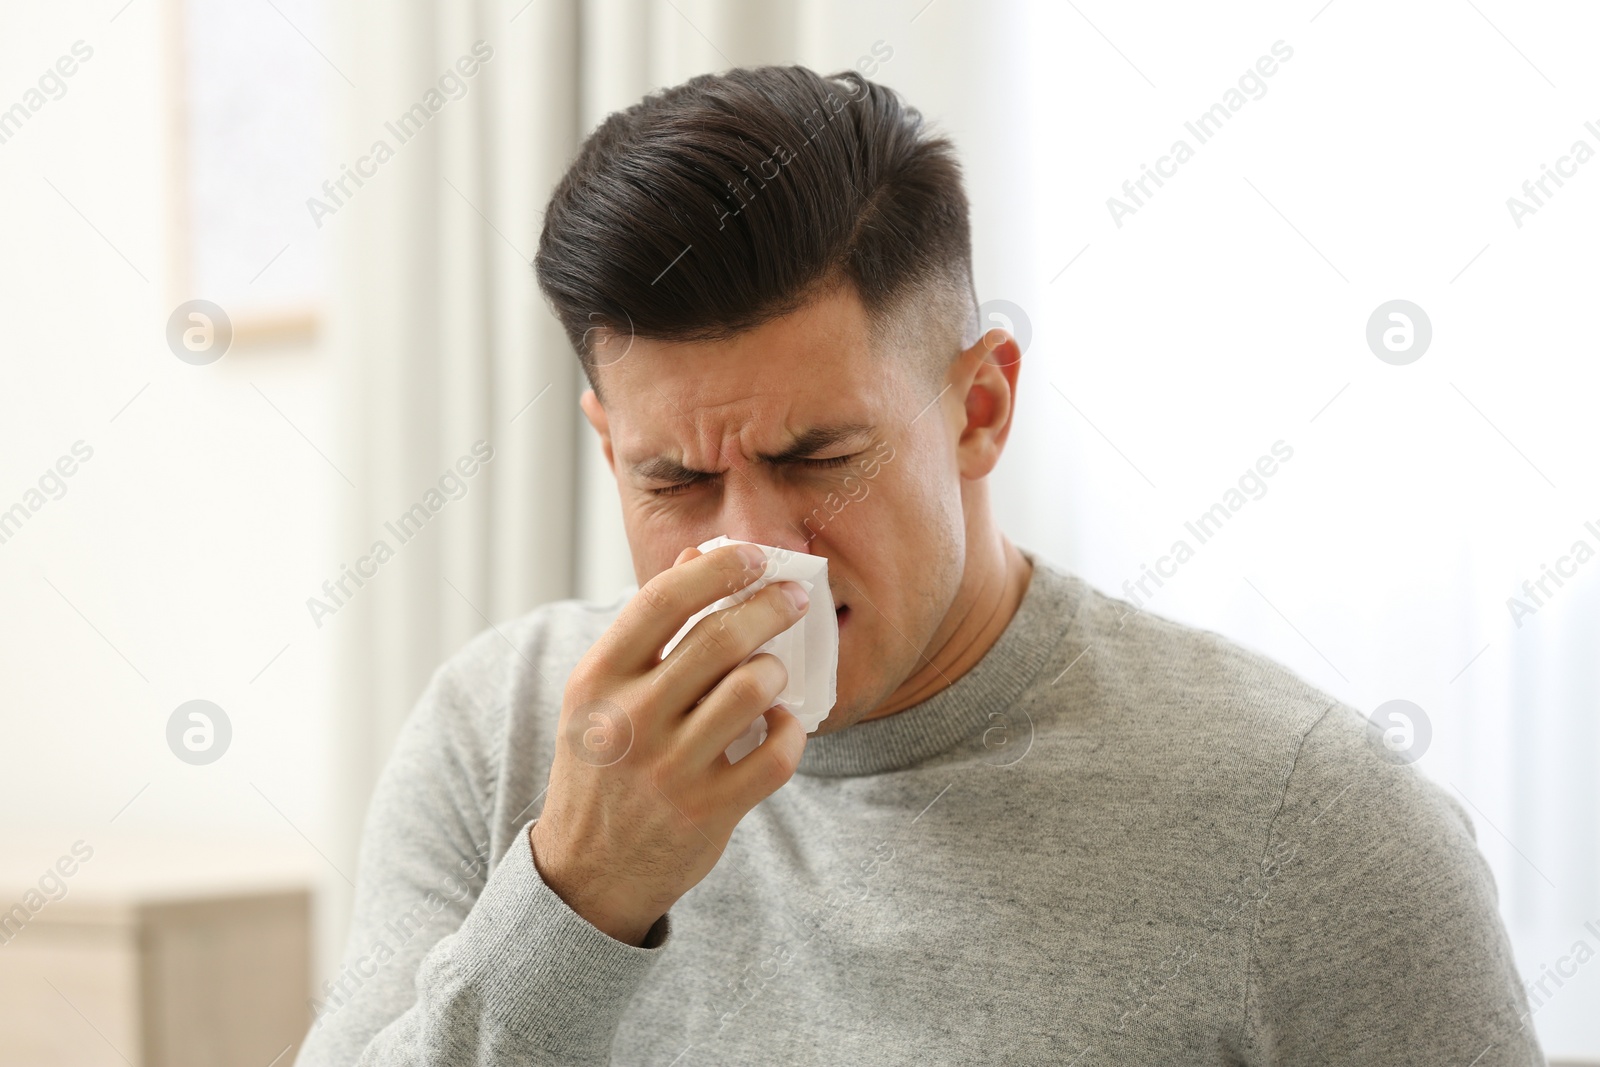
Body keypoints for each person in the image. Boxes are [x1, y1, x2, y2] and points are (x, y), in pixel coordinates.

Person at [296, 65, 1542, 1066]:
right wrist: (575, 900)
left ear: (980, 405)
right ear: (605, 444)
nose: (754, 546)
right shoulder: (504, 729)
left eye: (820, 454)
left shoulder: (1309, 823)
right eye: (671, 480)